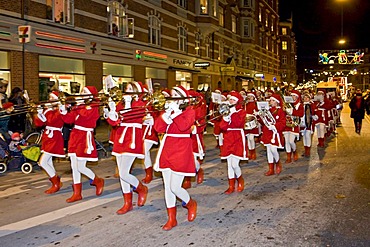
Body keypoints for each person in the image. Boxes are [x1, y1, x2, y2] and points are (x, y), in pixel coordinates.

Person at [153, 85, 197, 231]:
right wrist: (165, 115)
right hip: (167, 147)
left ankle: (190, 203)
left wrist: (175, 112)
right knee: (167, 187)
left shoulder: (190, 111)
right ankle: (171, 218)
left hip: (182, 148)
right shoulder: (169, 112)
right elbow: (158, 129)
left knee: (175, 187)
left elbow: (184, 126)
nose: (172, 99)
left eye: (175, 96)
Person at [105, 81, 148, 214]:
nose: (127, 91)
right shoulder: (121, 104)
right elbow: (114, 122)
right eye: (127, 88)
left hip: (133, 138)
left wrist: (128, 104)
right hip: (120, 137)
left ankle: (140, 188)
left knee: (124, 173)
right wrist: (111, 110)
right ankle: (127, 202)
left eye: (130, 88)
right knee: (122, 175)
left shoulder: (141, 104)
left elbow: (131, 117)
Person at [60, 86, 104, 203]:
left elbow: (86, 115)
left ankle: (97, 180)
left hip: (85, 136)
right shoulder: (80, 106)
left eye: (85, 92)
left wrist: (78, 105)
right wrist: (63, 110)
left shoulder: (94, 106)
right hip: (75, 135)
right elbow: (69, 120)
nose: (81, 93)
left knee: (80, 166)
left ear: (91, 95)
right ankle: (77, 193)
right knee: (74, 166)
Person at [33, 91, 65, 194]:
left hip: (55, 137)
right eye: (50, 97)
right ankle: (56, 180)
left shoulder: (60, 110)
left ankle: (56, 182)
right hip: (48, 136)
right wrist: (39, 113)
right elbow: (39, 124)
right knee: (49, 161)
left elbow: (53, 120)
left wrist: (46, 111)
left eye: (52, 98)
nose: (50, 99)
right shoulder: (49, 110)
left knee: (42, 162)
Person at [219, 91, 247, 194]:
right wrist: (225, 118)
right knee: (229, 164)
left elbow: (238, 123)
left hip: (237, 137)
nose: (230, 101)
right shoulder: (227, 111)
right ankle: (231, 185)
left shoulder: (241, 112)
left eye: (233, 99)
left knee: (235, 164)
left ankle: (240, 180)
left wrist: (232, 114)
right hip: (228, 137)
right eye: (230, 99)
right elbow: (222, 127)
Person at [257, 93, 286, 176]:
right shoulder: (267, 110)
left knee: (273, 149)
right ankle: (271, 168)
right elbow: (263, 122)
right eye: (270, 100)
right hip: (267, 132)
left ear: (277, 102)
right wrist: (259, 116)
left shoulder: (280, 111)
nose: (270, 101)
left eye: (273, 100)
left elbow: (283, 123)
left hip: (275, 132)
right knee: (268, 150)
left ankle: (278, 163)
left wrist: (275, 126)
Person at [282, 90, 304, 163]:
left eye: (294, 96)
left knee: (291, 141)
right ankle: (288, 157)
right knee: (286, 141)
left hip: (294, 125)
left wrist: (292, 111)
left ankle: (294, 151)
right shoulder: (287, 104)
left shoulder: (300, 105)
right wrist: (284, 110)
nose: (293, 97)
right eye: (292, 96)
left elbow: (301, 114)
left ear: (297, 97)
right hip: (286, 124)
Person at [300, 93, 317, 157]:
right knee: (304, 137)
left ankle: (308, 151)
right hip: (302, 123)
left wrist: (314, 116)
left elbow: (314, 112)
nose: (306, 99)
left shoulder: (312, 105)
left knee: (308, 136)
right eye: (304, 98)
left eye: (307, 98)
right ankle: (305, 150)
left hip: (309, 123)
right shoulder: (301, 105)